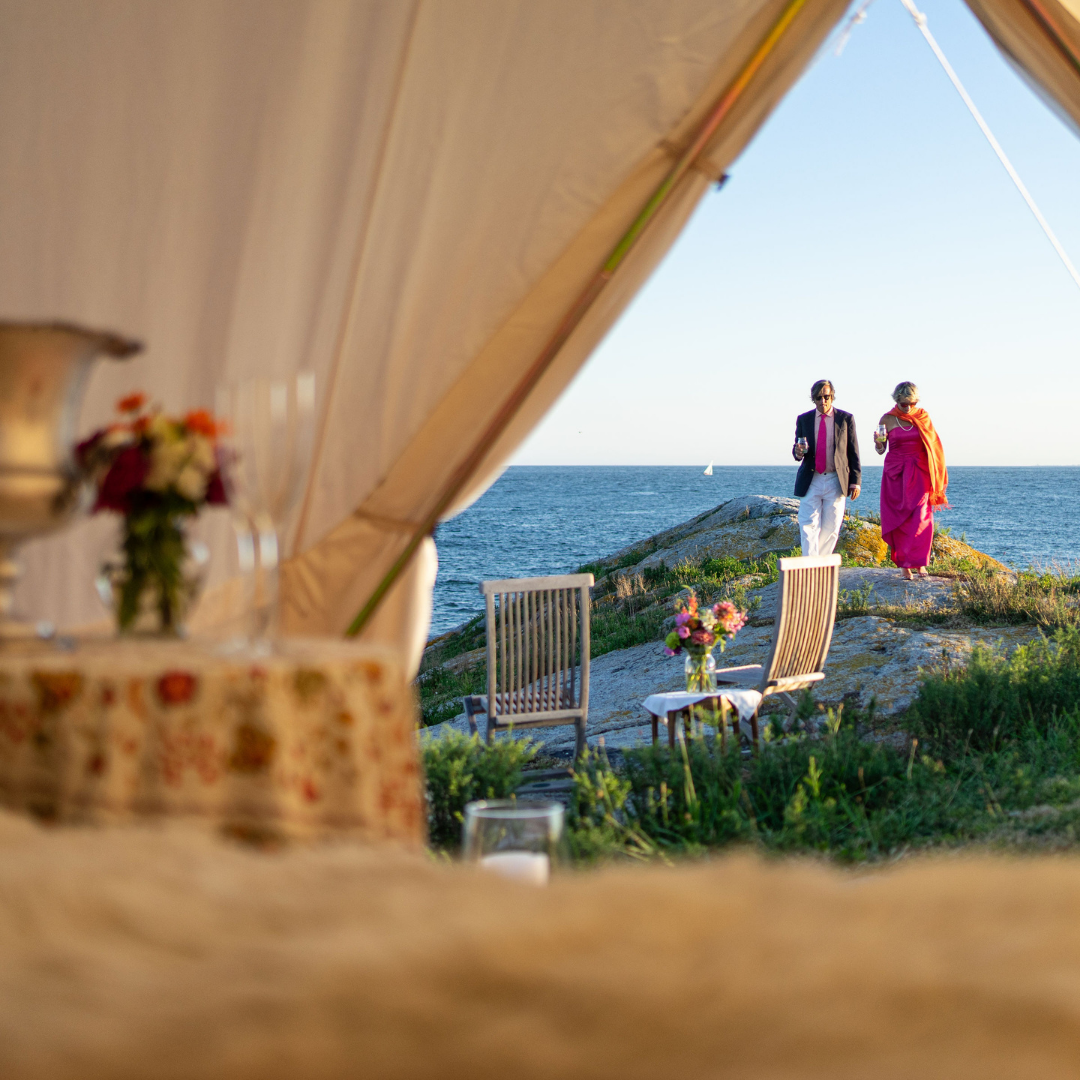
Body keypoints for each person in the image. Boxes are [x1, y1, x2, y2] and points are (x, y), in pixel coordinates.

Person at [874, 381, 948, 580]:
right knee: (901, 519)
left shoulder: (923, 416)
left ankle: (920, 563)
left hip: (920, 472)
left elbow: (933, 446)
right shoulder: (887, 419)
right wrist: (878, 444)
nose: (908, 408)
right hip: (895, 473)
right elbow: (881, 450)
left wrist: (936, 474)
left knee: (922, 518)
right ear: (896, 400)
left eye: (911, 403)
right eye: (904, 404)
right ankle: (905, 565)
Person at [792, 380, 861, 557]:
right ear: (813, 399)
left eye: (826, 397)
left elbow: (853, 451)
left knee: (832, 527)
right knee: (808, 525)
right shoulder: (804, 419)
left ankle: (819, 565)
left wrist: (855, 482)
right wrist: (798, 452)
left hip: (836, 479)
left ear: (832, 396)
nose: (823, 401)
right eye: (819, 398)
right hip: (812, 478)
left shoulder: (846, 419)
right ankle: (809, 566)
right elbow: (797, 451)